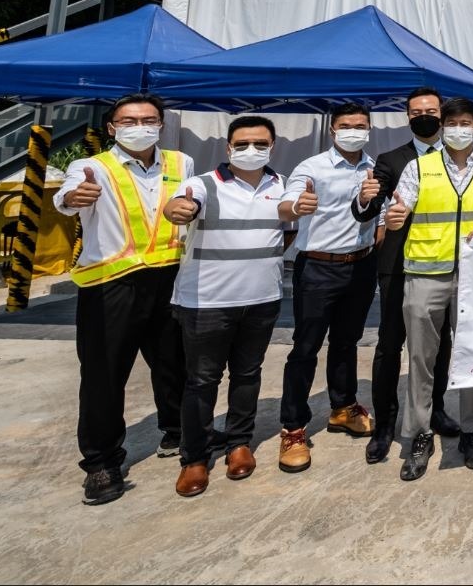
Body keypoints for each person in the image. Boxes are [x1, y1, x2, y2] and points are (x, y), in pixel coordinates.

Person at [54, 93, 193, 506]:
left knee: (175, 363)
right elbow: (67, 196)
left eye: (149, 120)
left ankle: (176, 432)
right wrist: (73, 198)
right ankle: (101, 462)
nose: (140, 127)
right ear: (113, 127)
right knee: (104, 374)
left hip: (169, 278)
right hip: (111, 285)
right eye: (129, 121)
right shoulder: (92, 167)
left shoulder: (180, 163)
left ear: (161, 125)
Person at [384, 97, 473, 481]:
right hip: (425, 274)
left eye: (465, 123)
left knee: (472, 355)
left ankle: (470, 430)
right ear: (443, 127)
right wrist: (393, 217)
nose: (458, 129)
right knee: (421, 358)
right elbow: (398, 211)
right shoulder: (419, 167)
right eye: (451, 123)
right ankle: (419, 433)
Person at [162, 116, 286, 497]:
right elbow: (179, 205)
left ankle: (239, 443)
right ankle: (195, 458)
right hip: (207, 303)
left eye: (260, 144)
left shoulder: (280, 185)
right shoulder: (202, 184)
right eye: (243, 144)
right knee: (202, 381)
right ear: (228, 147)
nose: (252, 150)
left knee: (248, 375)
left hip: (262, 299)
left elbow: (287, 230)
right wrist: (176, 209)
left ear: (272, 147)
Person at [350, 86, 461, 465]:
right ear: (408, 117)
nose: (424, 116)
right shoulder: (391, 159)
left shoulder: (459, 160)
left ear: (442, 115)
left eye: (431, 110)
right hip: (399, 266)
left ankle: (435, 409)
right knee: (390, 344)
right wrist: (366, 197)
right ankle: (385, 424)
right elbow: (368, 210)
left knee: (439, 345)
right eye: (416, 112)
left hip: (445, 267)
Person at [275, 102, 380, 473]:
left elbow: (381, 217)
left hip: (361, 265)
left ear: (369, 129)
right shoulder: (311, 167)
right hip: (318, 267)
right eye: (346, 125)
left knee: (347, 342)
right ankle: (293, 428)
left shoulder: (375, 168)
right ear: (333, 130)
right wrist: (296, 207)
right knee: (305, 347)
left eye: (361, 125)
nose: (354, 131)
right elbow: (286, 204)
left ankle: (343, 406)